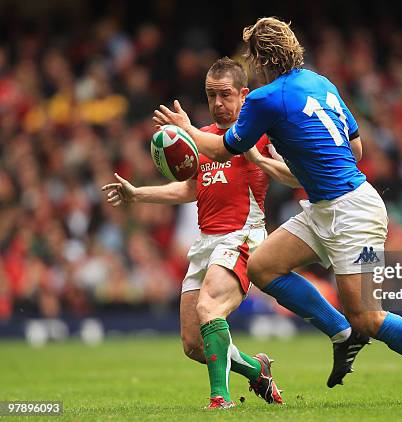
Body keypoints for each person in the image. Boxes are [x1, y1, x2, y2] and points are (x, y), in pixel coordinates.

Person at [153, 18, 402, 402]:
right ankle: (341, 332)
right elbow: (356, 152)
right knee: (261, 266)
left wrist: (187, 129)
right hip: (327, 207)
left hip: (354, 214)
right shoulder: (322, 83)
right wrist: (292, 160)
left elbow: (222, 149)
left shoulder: (264, 98)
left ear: (258, 58)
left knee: (368, 317)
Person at [103, 57, 291, 409]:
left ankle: (220, 399)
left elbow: (292, 172)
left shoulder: (260, 135)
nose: (218, 104)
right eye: (211, 96)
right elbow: (191, 190)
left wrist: (263, 161)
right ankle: (256, 369)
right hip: (205, 242)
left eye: (225, 95)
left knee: (209, 309)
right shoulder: (201, 139)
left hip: (242, 237)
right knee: (193, 344)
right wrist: (137, 193)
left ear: (243, 95)